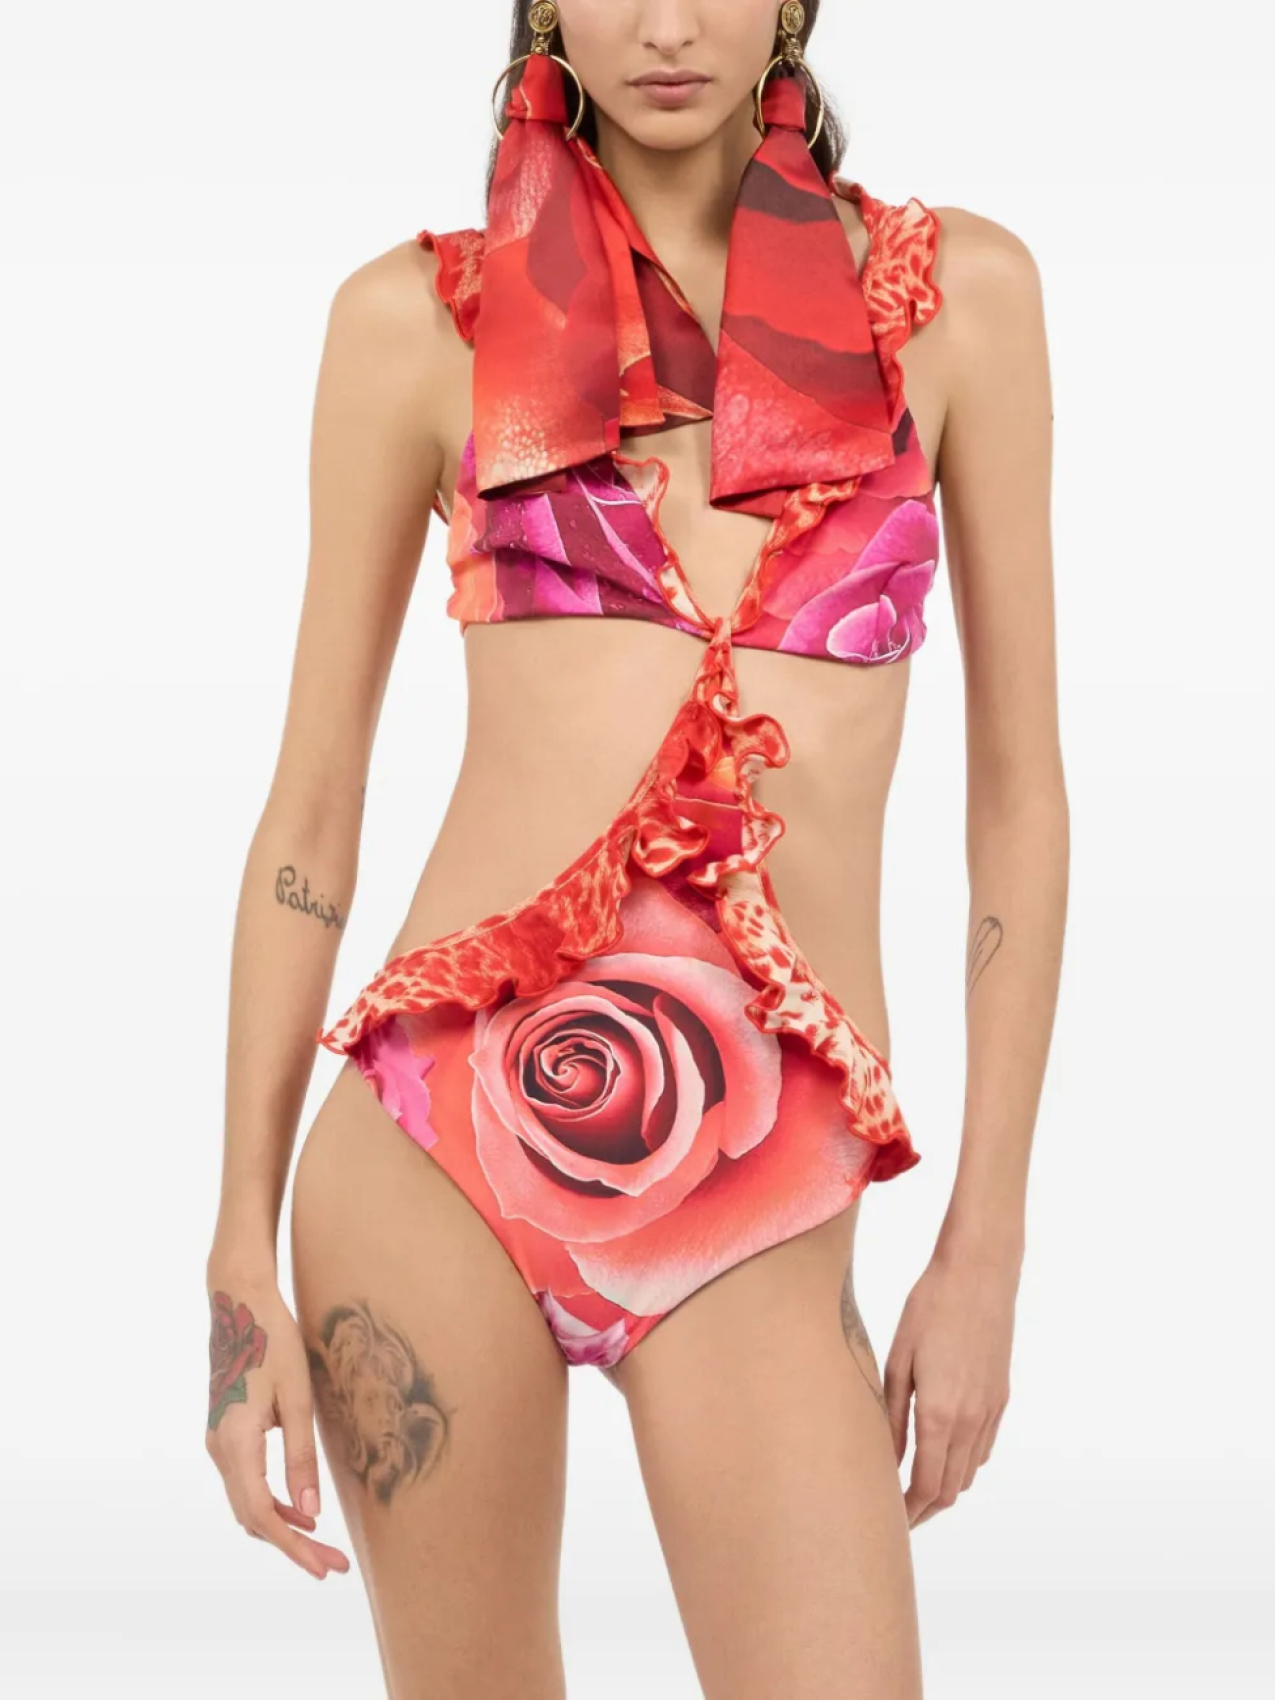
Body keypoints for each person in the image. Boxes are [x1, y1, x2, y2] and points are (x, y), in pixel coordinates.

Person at [204, 1, 1067, 1693]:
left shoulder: (962, 300)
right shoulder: (412, 324)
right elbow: (310, 808)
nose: (666, 26)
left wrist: (987, 1246)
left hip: (762, 1178)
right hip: (431, 1155)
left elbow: (1020, 803)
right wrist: (239, 1250)